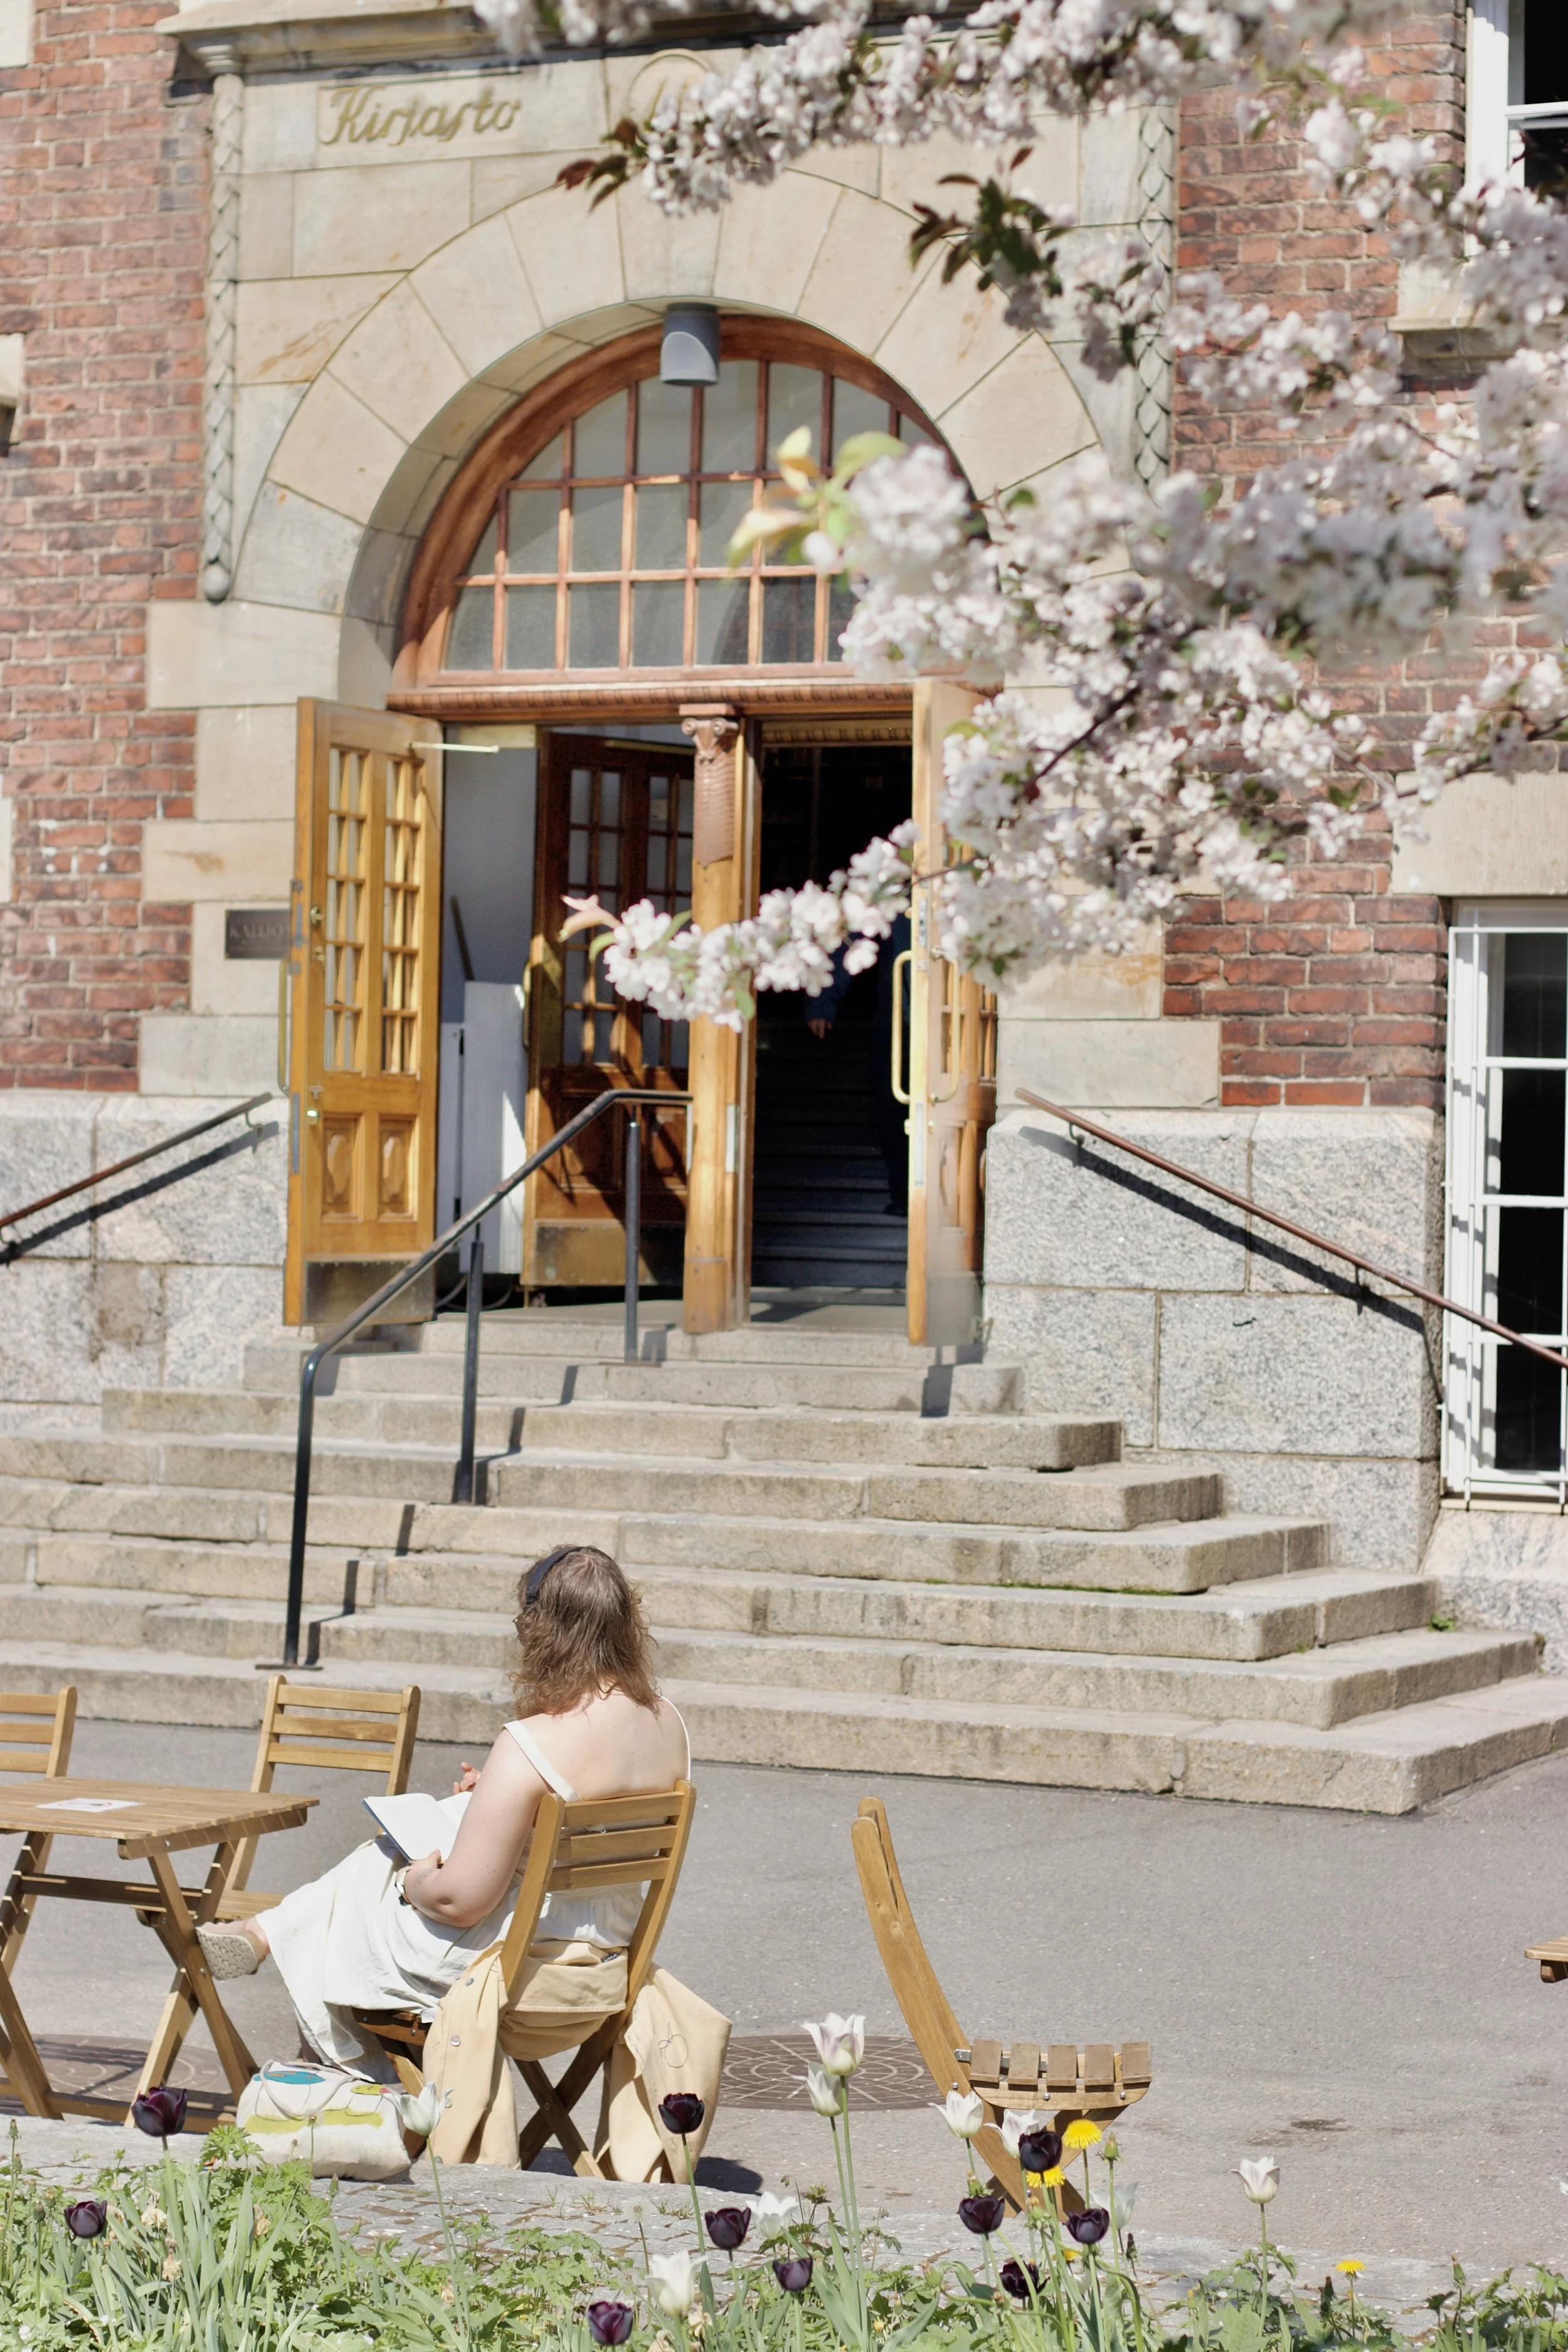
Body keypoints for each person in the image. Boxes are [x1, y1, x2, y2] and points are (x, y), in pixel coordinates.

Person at [195, 1545, 690, 2076]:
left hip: (521, 1975)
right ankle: (272, 1945)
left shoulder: (531, 1742)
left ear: (541, 1631)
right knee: (375, 1877)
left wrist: (415, 1880)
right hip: (607, 1966)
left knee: (374, 1872)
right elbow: (588, 1807)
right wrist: (497, 1795)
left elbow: (459, 1902)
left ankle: (330, 2074)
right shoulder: (669, 1726)